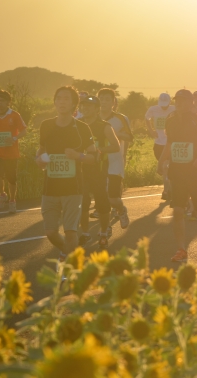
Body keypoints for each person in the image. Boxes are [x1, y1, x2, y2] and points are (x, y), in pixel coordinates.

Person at [36, 87, 95, 268]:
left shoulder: (82, 128)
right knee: (51, 232)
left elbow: (94, 157)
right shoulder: (46, 125)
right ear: (54, 102)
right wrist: (39, 160)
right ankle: (70, 253)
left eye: (66, 99)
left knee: (71, 233)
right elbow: (41, 151)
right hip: (50, 188)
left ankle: (67, 270)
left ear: (73, 104)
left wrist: (79, 156)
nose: (62, 102)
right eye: (58, 98)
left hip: (73, 188)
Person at [157, 89, 197, 262]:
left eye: (183, 101)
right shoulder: (171, 121)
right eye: (177, 101)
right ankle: (181, 249)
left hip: (195, 172)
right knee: (178, 211)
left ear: (191, 102)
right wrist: (161, 161)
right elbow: (169, 143)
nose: (179, 104)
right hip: (177, 172)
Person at [78, 96, 120, 249]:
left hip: (98, 170)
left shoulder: (104, 126)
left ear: (97, 109)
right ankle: (85, 233)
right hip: (80, 170)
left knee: (101, 203)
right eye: (83, 106)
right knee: (82, 203)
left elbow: (116, 146)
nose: (85, 108)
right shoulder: (77, 125)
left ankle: (103, 231)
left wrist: (100, 150)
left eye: (89, 106)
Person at [98, 88, 133, 229]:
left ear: (113, 102)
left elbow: (130, 137)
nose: (104, 102)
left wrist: (114, 134)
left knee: (113, 197)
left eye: (108, 99)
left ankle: (121, 209)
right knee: (101, 196)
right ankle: (105, 229)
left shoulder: (120, 119)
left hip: (115, 161)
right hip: (98, 161)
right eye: (101, 99)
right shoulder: (92, 117)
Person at [0, 90, 27, 213]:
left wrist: (14, 138)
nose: (0, 103)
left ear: (8, 102)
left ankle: (12, 200)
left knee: (11, 178)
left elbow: (24, 131)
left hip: (11, 152)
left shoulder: (15, 115)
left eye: (3, 101)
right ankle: (2, 195)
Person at [145, 93, 176, 200]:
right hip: (158, 143)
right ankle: (169, 189)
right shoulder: (153, 109)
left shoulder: (174, 109)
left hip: (170, 143)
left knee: (166, 167)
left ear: (170, 102)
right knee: (165, 168)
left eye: (166, 104)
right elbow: (147, 118)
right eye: (162, 104)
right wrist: (151, 131)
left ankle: (166, 191)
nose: (164, 107)